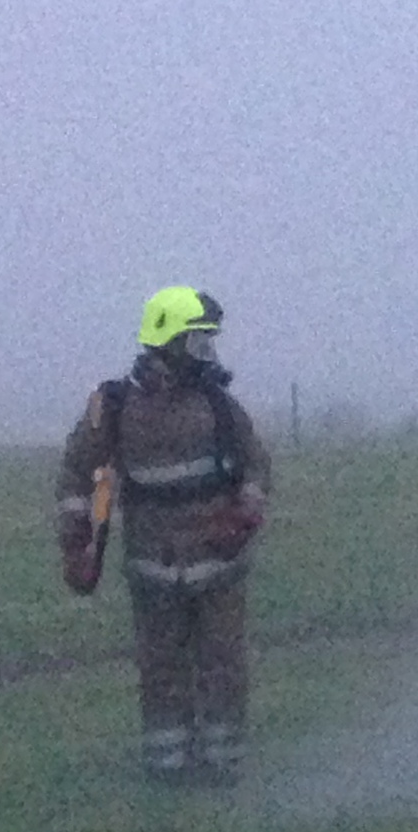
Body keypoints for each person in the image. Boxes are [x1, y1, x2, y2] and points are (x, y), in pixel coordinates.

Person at [55, 286, 272, 786]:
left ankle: (224, 768)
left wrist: (245, 512)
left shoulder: (219, 406)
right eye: (198, 341)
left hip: (220, 568)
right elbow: (75, 474)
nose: (207, 353)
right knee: (161, 670)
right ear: (169, 340)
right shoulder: (113, 406)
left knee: (223, 667)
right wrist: (75, 540)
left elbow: (257, 464)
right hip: (151, 570)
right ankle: (168, 769)